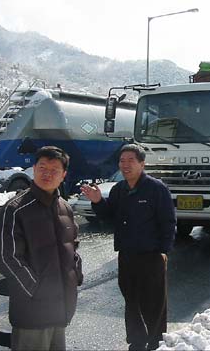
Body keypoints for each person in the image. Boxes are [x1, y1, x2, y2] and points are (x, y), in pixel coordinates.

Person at [80, 143, 176, 351]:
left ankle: (156, 340)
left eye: (131, 160)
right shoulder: (118, 190)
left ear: (142, 163)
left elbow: (168, 222)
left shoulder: (156, 189)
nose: (125, 165)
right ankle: (137, 340)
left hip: (151, 255)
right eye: (122, 161)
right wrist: (97, 202)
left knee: (154, 300)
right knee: (131, 299)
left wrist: (163, 251)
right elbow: (108, 218)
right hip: (126, 255)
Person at [0, 146, 83, 351]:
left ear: (64, 175)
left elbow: (72, 246)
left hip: (61, 308)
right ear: (33, 169)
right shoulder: (16, 209)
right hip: (32, 311)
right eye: (42, 167)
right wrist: (37, 289)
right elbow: (8, 258)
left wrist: (75, 275)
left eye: (54, 169)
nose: (47, 173)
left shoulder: (64, 207)